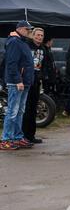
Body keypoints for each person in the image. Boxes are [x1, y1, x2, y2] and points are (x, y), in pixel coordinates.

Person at [0, 21, 35, 150]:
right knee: (13, 112)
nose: (29, 31)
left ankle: (17, 137)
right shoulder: (14, 42)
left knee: (20, 111)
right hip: (17, 82)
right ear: (20, 29)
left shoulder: (21, 41)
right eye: (27, 29)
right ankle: (6, 139)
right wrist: (18, 80)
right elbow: (12, 63)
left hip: (24, 81)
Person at [22, 28, 47, 144]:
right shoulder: (26, 45)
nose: (39, 37)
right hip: (26, 81)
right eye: (37, 35)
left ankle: (31, 135)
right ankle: (23, 136)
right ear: (33, 35)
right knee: (25, 109)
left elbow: (44, 64)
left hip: (36, 81)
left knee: (33, 108)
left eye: (41, 35)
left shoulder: (43, 48)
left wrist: (43, 75)